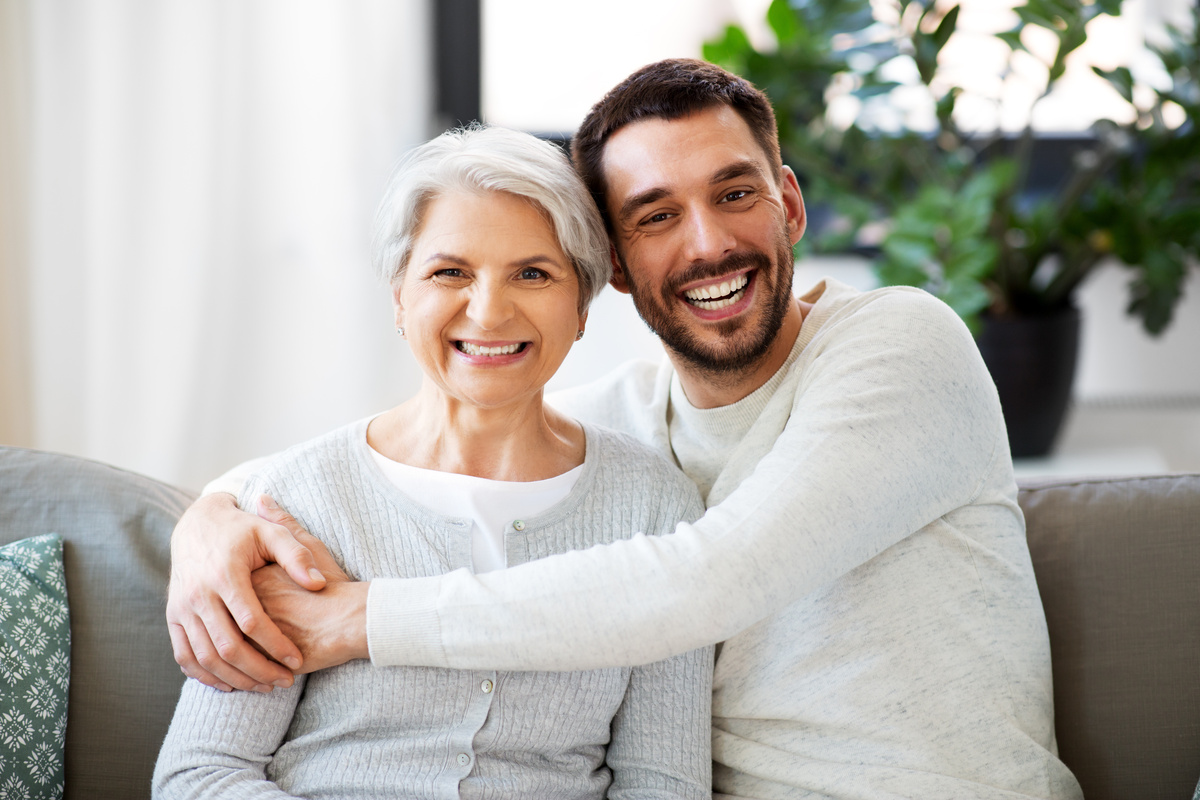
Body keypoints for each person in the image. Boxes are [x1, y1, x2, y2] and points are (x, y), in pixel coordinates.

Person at [168, 59, 1084, 799]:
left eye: (734, 194)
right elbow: (392, 455)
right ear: (613, 266)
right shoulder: (629, 420)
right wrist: (208, 518)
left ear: (790, 205)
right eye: (655, 216)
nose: (706, 244)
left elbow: (715, 578)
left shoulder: (901, 342)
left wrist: (362, 619)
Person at [152, 125, 713, 799]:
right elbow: (201, 775)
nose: (489, 310)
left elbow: (663, 783)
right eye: (450, 272)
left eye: (532, 274)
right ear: (400, 297)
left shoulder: (657, 512)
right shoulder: (292, 506)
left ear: (582, 305)